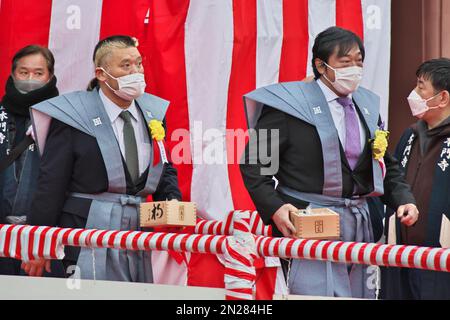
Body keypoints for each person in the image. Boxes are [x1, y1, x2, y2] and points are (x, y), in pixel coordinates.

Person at [240, 27, 419, 298]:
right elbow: (255, 164)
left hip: (360, 223)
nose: (355, 70)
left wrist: (403, 199)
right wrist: (275, 208)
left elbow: (384, 163)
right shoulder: (285, 106)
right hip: (308, 220)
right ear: (320, 65)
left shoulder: (367, 106)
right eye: (345, 63)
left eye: (359, 62)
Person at [21, 35, 182, 281]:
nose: (136, 72)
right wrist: (38, 242)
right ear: (102, 73)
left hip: (135, 233)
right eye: (125, 66)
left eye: (138, 64)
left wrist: (171, 203)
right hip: (83, 229)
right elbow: (51, 182)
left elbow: (163, 166)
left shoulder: (153, 112)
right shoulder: (73, 116)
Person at [381, 58, 450, 300]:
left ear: (442, 98)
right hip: (401, 254)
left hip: (441, 259)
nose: (414, 93)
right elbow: (393, 180)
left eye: (421, 87)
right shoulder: (411, 134)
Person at [0, 45, 59, 275]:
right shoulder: (1, 115)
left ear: (50, 76)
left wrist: (45, 238)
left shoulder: (62, 119)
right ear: (13, 74)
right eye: (23, 73)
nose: (30, 79)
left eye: (38, 73)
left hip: (42, 239)